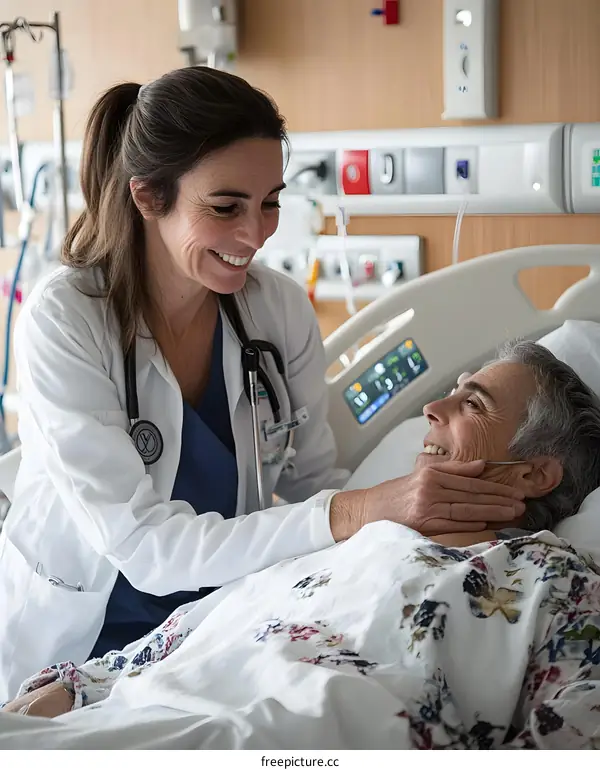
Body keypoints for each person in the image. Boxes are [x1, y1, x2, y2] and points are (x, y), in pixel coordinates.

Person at [0, 66, 524, 702]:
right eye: (225, 208)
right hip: (75, 643)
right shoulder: (67, 319)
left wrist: (405, 536)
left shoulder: (273, 311)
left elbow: (315, 483)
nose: (255, 234)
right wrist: (360, 509)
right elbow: (144, 547)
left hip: (215, 631)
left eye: (270, 201)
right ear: (147, 198)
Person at [4, 338, 600, 724]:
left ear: (532, 474)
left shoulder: (557, 585)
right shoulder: (347, 539)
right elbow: (204, 624)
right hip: (147, 718)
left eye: (473, 404)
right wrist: (79, 686)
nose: (432, 409)